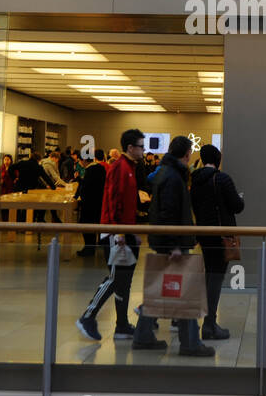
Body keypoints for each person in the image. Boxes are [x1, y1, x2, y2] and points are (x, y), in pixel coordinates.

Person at [76, 129, 158, 344]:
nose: (144, 150)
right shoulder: (119, 168)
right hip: (115, 232)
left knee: (125, 280)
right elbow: (113, 201)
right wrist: (120, 231)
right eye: (141, 146)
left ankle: (122, 324)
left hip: (125, 231)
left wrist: (132, 232)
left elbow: (126, 204)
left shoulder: (130, 168)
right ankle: (88, 317)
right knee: (115, 278)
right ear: (131, 148)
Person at [135, 135, 213, 356]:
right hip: (172, 243)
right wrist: (174, 245)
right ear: (187, 154)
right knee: (186, 290)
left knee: (161, 289)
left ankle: (143, 336)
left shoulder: (165, 172)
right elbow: (169, 212)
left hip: (168, 240)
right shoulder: (173, 176)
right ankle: (190, 343)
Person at [189, 143, 244, 338]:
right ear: (218, 159)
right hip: (222, 235)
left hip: (204, 235)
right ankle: (210, 324)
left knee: (209, 275)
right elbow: (238, 206)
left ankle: (208, 321)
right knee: (216, 277)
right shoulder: (222, 179)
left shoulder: (195, 180)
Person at [74, 148, 106, 256]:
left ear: (83, 160)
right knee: (95, 225)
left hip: (90, 204)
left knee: (87, 226)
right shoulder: (100, 168)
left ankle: (89, 248)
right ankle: (93, 246)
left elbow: (86, 187)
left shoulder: (90, 170)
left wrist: (78, 197)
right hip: (99, 202)